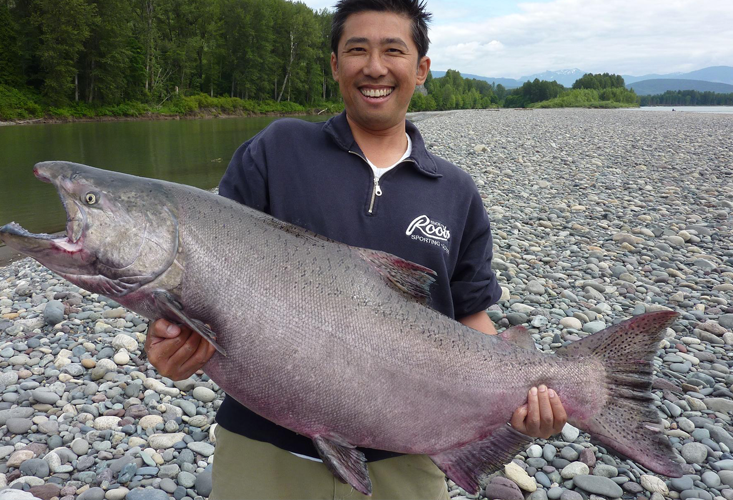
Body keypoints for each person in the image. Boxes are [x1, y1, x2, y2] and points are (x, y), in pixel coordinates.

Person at [145, 1, 567, 498]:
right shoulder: (276, 150)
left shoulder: (456, 192)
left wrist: (525, 400)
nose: (374, 67)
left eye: (393, 50)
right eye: (357, 50)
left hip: (409, 456)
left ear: (421, 69)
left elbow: (471, 318)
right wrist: (169, 343)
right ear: (334, 65)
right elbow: (204, 271)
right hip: (265, 448)